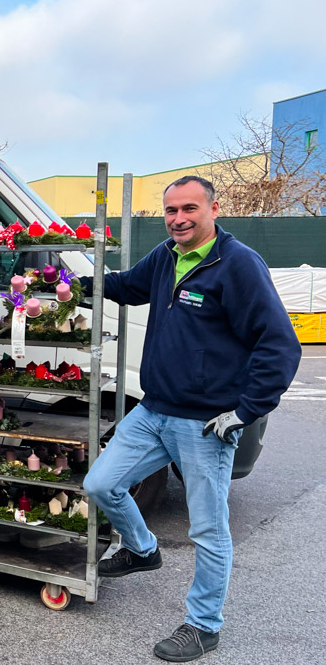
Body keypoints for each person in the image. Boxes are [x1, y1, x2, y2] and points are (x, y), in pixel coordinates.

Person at [81, 176, 301, 662]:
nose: (178, 218)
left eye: (188, 208)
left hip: (204, 423)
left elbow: (280, 344)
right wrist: (75, 283)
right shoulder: (165, 256)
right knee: (100, 484)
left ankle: (203, 625)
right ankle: (142, 549)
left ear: (213, 209)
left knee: (208, 528)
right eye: (170, 210)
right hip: (154, 409)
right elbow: (126, 286)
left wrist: (245, 411)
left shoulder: (238, 266)